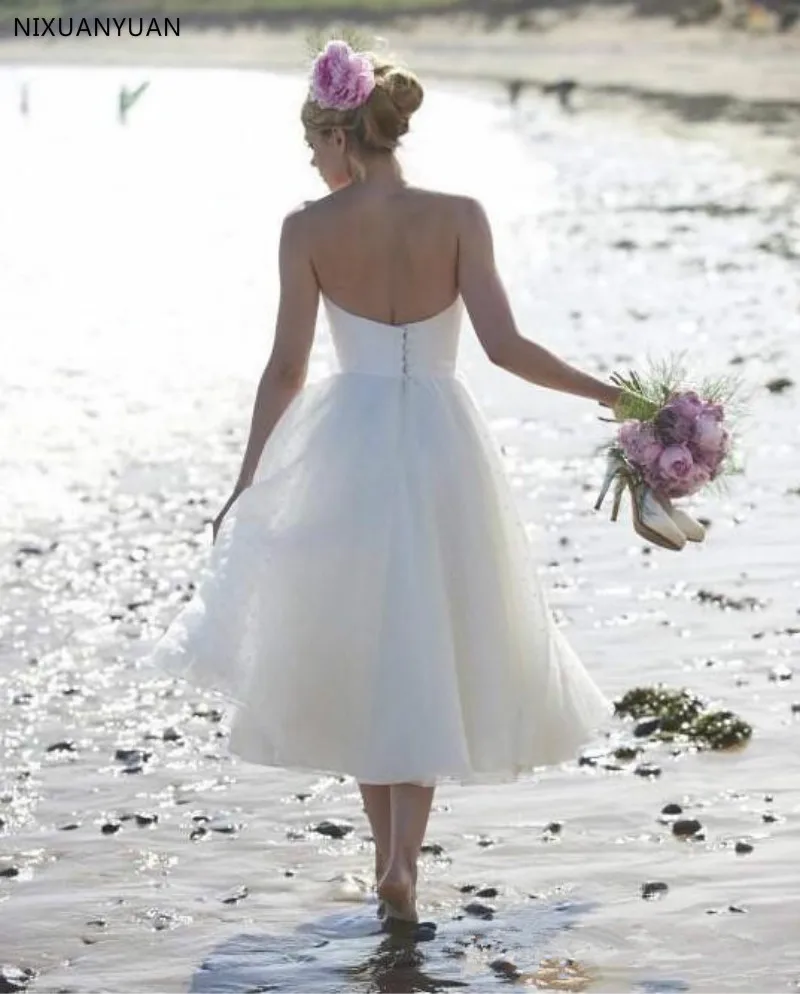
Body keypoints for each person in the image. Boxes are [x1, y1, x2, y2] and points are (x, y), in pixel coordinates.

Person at [148, 39, 623, 930]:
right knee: (427, 642)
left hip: (349, 448)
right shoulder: (461, 215)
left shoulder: (306, 230)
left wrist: (248, 482)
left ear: (339, 135)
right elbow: (506, 349)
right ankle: (403, 860)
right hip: (444, 446)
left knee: (372, 651)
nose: (311, 164)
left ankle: (385, 864)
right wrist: (614, 395)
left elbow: (287, 370)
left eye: (312, 145)